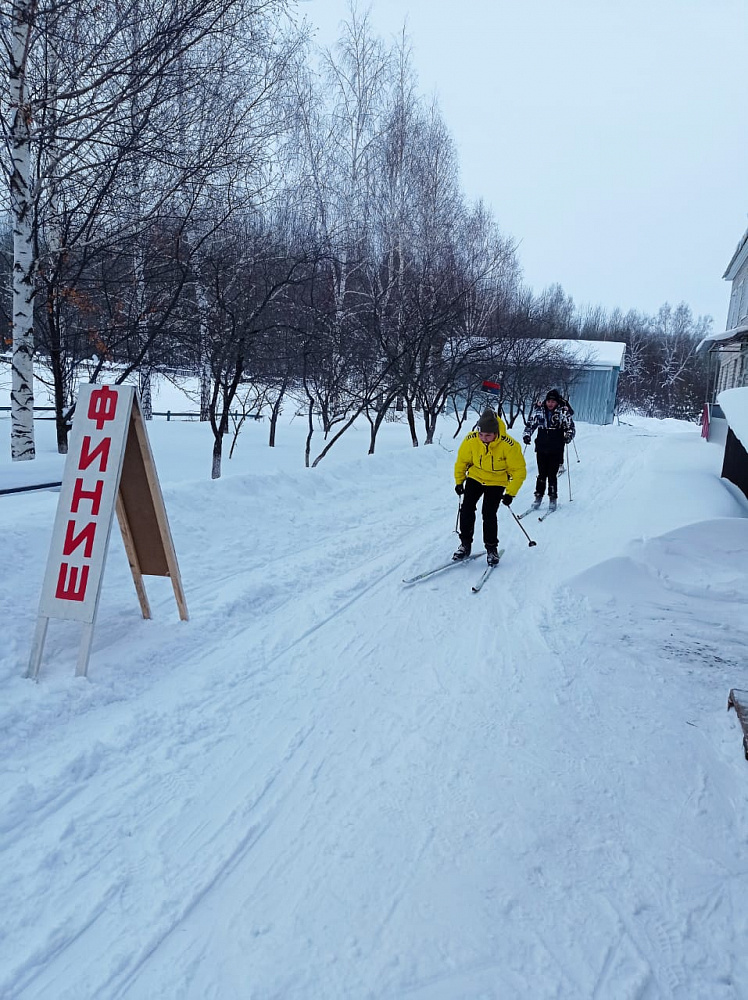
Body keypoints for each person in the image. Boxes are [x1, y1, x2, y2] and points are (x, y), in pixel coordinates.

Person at [453, 408, 527, 565]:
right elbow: (462, 462)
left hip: (497, 481)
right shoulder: (471, 440)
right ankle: (465, 544)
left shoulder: (509, 445)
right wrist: (459, 482)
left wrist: (510, 493)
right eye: (481, 434)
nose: (483, 438)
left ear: (496, 433)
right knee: (466, 509)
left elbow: (519, 471)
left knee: (488, 513)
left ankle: (492, 549)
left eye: (487, 435)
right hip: (476, 476)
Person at [522, 388, 575, 510]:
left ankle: (552, 497)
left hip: (556, 447)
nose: (550, 404)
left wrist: (568, 436)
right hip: (541, 446)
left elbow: (570, 427)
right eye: (548, 401)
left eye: (553, 401)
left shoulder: (562, 412)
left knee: (552, 474)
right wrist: (527, 435)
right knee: (541, 474)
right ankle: (538, 496)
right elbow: (531, 425)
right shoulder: (539, 411)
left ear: (557, 402)